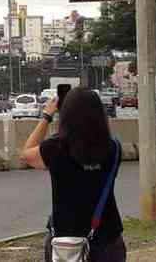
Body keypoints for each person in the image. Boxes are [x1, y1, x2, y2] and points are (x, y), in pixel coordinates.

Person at [24, 88, 125, 262]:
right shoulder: (114, 148)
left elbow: (26, 154)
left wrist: (47, 117)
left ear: (65, 114)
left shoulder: (56, 148)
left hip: (67, 242)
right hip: (108, 236)